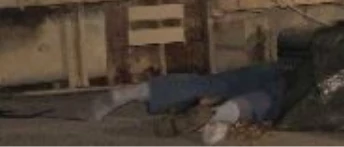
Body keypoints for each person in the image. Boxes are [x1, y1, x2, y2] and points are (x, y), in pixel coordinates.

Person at [88, 64, 287, 146]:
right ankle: (216, 115)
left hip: (285, 65)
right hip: (298, 85)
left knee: (217, 83)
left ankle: (135, 91)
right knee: (272, 101)